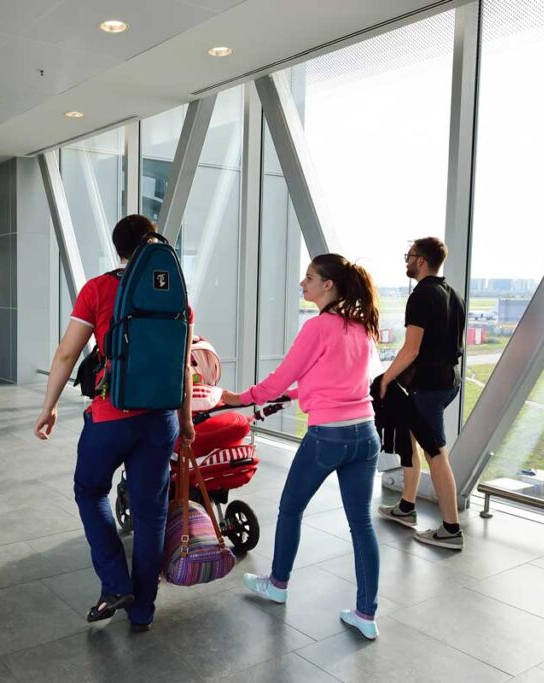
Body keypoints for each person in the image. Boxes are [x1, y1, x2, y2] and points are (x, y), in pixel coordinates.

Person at [34, 214, 195, 633]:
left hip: (111, 416)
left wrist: (48, 406)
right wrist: (187, 421)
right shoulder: (176, 295)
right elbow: (182, 366)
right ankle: (142, 610)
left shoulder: (100, 288)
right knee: (150, 514)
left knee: (90, 490)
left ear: (119, 249)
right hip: (161, 420)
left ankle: (115, 583)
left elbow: (67, 355)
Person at [224, 253, 382, 641]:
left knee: (291, 508)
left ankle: (277, 585)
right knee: (361, 524)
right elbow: (343, 381)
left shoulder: (318, 327)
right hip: (365, 434)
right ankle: (366, 614)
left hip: (328, 436)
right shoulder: (360, 327)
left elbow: (281, 377)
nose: (302, 283)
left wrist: (240, 398)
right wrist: (298, 394)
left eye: (309, 278)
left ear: (328, 285)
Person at [377, 237, 467, 550]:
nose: (406, 261)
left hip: (428, 386)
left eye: (410, 256)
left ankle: (451, 529)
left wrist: (386, 378)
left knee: (436, 454)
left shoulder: (421, 296)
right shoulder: (452, 294)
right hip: (446, 381)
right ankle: (406, 506)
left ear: (422, 261)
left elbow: (411, 349)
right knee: (410, 439)